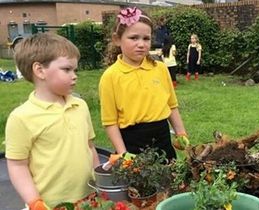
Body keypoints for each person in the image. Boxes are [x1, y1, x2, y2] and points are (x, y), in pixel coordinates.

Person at [5, 33, 100, 209]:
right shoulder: (21, 117)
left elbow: (90, 146)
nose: (74, 76)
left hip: (90, 198)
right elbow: (17, 166)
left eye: (75, 70)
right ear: (40, 70)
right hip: (50, 204)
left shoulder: (80, 106)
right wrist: (34, 201)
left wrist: (101, 178)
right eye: (67, 69)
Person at [100, 7, 189, 160]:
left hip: (163, 138)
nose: (141, 44)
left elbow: (172, 106)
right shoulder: (110, 77)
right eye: (134, 38)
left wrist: (180, 133)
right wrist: (122, 153)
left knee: (170, 180)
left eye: (146, 38)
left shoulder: (160, 68)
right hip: (132, 143)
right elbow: (110, 122)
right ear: (117, 39)